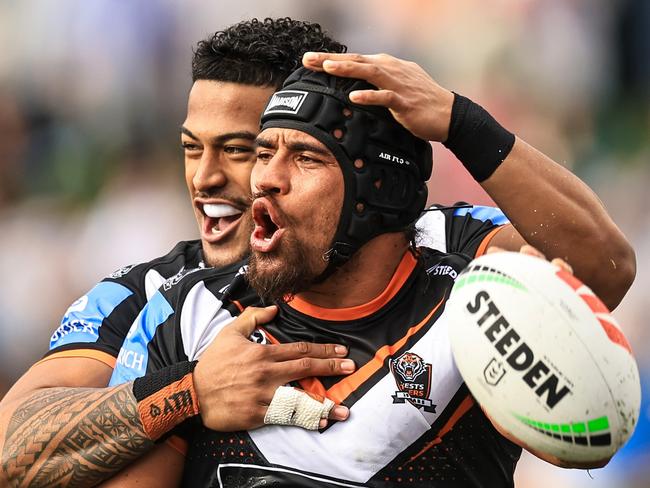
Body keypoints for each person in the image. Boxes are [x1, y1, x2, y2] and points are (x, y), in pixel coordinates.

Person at [102, 60, 635, 487]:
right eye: (265, 153)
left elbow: (605, 268)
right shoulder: (188, 313)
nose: (265, 180)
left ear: (378, 194)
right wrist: (189, 391)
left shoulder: (475, 305)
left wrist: (460, 121)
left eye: (305, 159)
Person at [0, 18, 357, 488]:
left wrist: (462, 126)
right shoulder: (142, 295)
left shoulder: (424, 256)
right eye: (191, 148)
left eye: (237, 149)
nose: (203, 177)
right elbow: (9, 448)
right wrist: (190, 391)